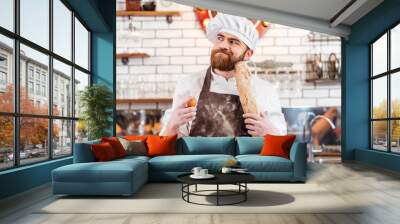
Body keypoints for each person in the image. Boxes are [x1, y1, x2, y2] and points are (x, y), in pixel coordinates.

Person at [160, 13, 287, 137]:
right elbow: (169, 144)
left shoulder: (265, 90)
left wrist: (270, 133)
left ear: (248, 54)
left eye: (233, 42)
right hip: (201, 159)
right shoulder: (189, 84)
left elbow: (281, 143)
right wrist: (172, 126)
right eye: (220, 38)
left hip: (245, 159)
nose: (223, 45)